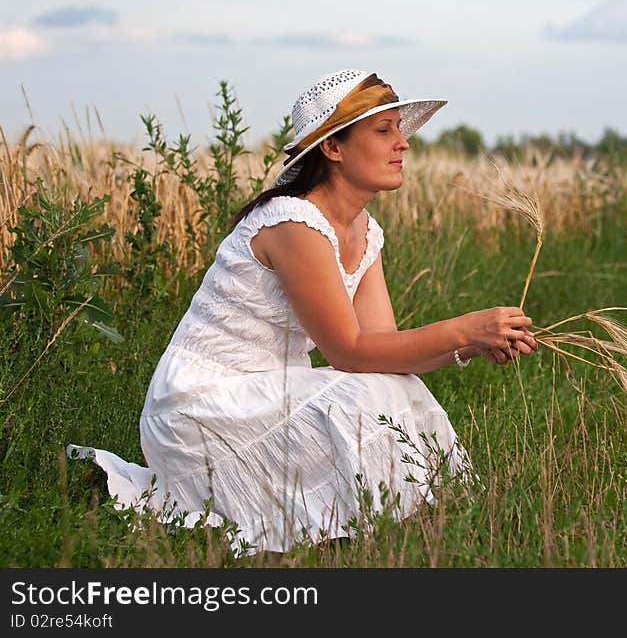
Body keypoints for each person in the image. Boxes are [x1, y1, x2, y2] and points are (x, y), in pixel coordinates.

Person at [68, 69, 539, 554]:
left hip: (268, 392)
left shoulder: (364, 230)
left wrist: (471, 346)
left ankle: (406, 528)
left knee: (392, 387)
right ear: (333, 148)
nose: (403, 144)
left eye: (400, 129)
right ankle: (362, 526)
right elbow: (351, 352)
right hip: (200, 404)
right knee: (366, 395)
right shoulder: (294, 222)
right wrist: (464, 327)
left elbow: (383, 352)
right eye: (383, 131)